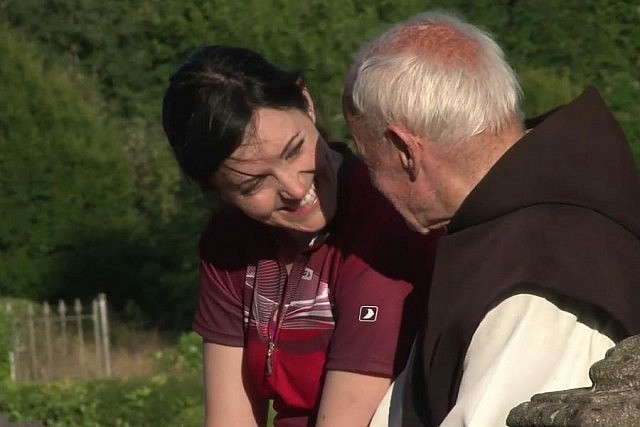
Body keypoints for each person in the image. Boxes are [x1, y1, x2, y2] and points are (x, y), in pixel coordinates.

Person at [343, 10, 640, 427]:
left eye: (368, 159)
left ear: (405, 150)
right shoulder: (505, 227)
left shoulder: (539, 278)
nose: (371, 181)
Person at [161, 45, 440, 427]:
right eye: (255, 183)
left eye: (294, 151)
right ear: (215, 190)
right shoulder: (228, 245)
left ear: (306, 102)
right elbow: (231, 418)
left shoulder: (382, 221)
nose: (294, 188)